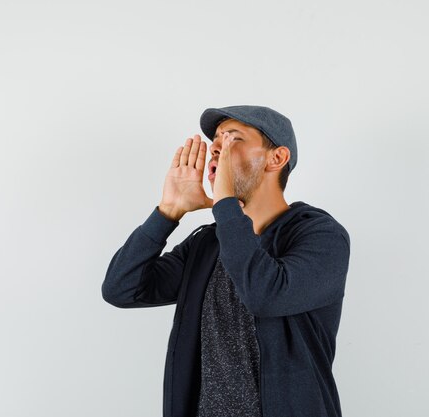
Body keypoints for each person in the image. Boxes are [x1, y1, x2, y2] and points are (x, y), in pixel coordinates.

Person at [101, 105, 351, 417]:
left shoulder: (321, 236)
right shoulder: (209, 243)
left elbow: (265, 294)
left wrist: (226, 204)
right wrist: (168, 212)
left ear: (277, 158)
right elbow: (121, 289)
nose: (216, 149)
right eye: (216, 142)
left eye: (233, 140)